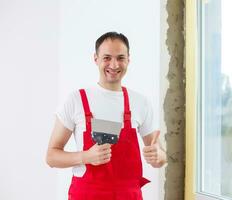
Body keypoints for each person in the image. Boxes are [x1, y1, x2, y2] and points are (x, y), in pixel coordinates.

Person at [46, 32, 167, 200]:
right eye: (107, 57)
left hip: (128, 195)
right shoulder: (76, 100)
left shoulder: (140, 102)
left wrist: (159, 156)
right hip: (87, 194)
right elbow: (51, 157)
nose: (114, 64)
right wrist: (85, 156)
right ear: (96, 59)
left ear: (128, 60)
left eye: (120, 58)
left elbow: (158, 157)